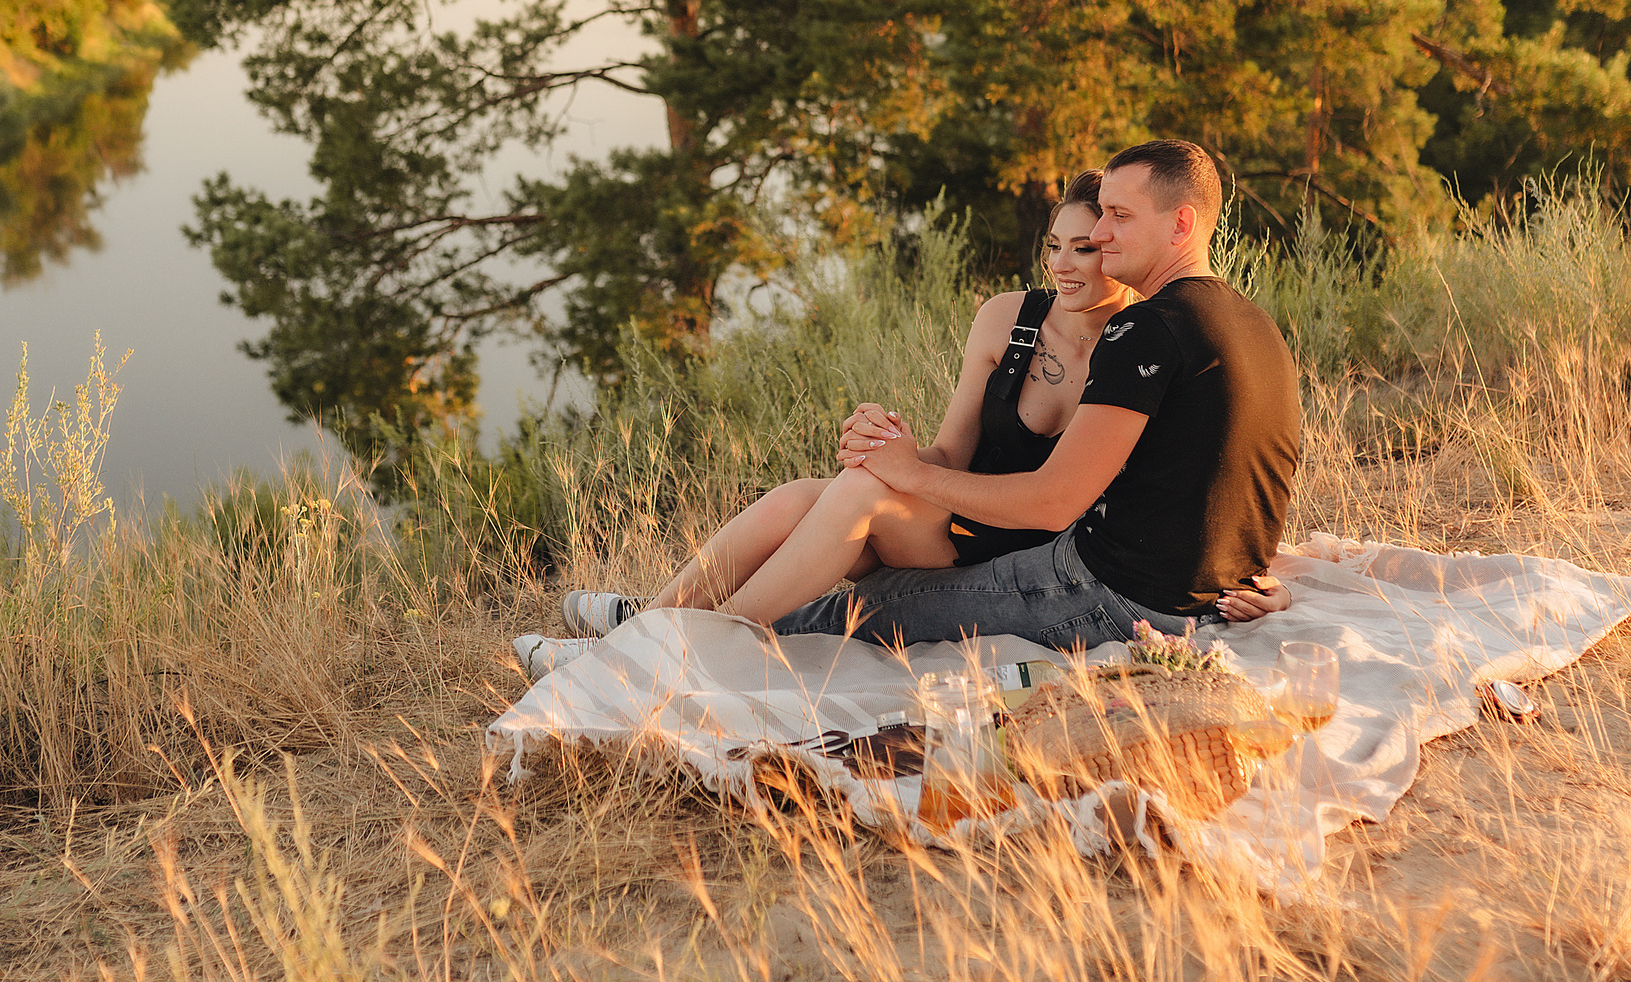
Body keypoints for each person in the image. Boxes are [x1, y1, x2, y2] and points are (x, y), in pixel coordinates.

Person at [512, 148, 1293, 675]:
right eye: (1082, 232)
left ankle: (649, 658)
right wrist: (1247, 568)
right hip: (1130, 575)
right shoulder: (1249, 323)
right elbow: (1223, 472)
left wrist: (908, 472)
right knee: (813, 502)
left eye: (1115, 223)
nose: (1094, 244)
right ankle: (648, 629)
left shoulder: (1142, 327)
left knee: (848, 606)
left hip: (1099, 587)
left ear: (1180, 222)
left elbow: (1061, 497)